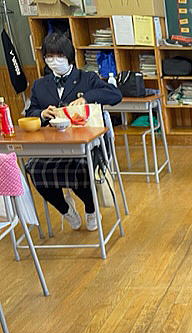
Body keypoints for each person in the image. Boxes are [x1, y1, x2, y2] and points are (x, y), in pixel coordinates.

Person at [25, 32, 122, 231]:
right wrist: (42, 114)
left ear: (69, 56)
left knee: (80, 168)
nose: (54, 61)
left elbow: (115, 95)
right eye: (49, 56)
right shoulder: (40, 85)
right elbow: (30, 113)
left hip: (87, 145)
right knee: (34, 169)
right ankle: (65, 209)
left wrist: (86, 98)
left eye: (59, 56)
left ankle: (91, 208)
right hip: (52, 146)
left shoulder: (87, 78)